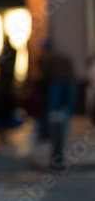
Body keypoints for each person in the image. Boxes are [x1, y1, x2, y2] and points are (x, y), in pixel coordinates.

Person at [37, 39, 77, 167]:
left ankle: (53, 134)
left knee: (53, 110)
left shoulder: (47, 58)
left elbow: (45, 74)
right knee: (66, 110)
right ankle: (62, 132)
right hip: (69, 82)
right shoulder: (61, 55)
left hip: (56, 83)